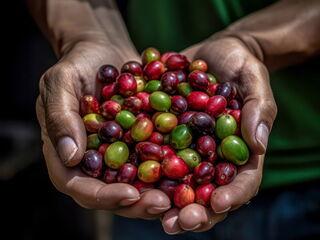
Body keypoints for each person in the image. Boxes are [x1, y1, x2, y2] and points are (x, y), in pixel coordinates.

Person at [28, 0, 320, 238]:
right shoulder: (155, 122)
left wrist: (254, 43)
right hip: (146, 207)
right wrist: (86, 35)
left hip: (307, 177)